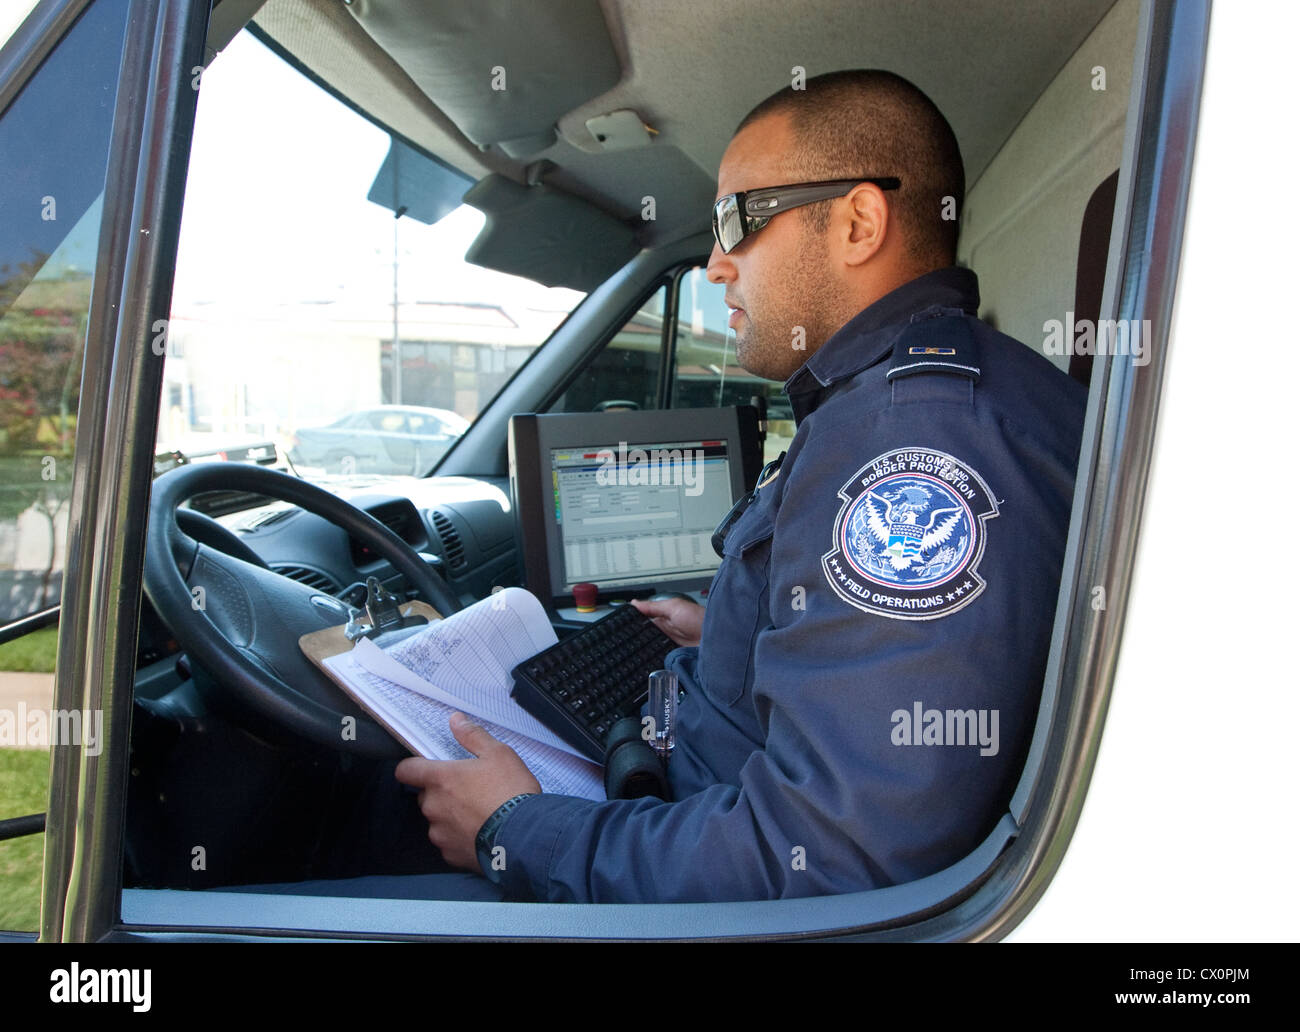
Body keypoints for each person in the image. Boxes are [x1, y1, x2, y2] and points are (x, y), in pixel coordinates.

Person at [394, 69, 1086, 902]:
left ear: (859, 223)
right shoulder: (888, 403)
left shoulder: (915, 444)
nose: (717, 266)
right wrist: (729, 630)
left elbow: (830, 859)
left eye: (735, 219)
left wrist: (517, 830)